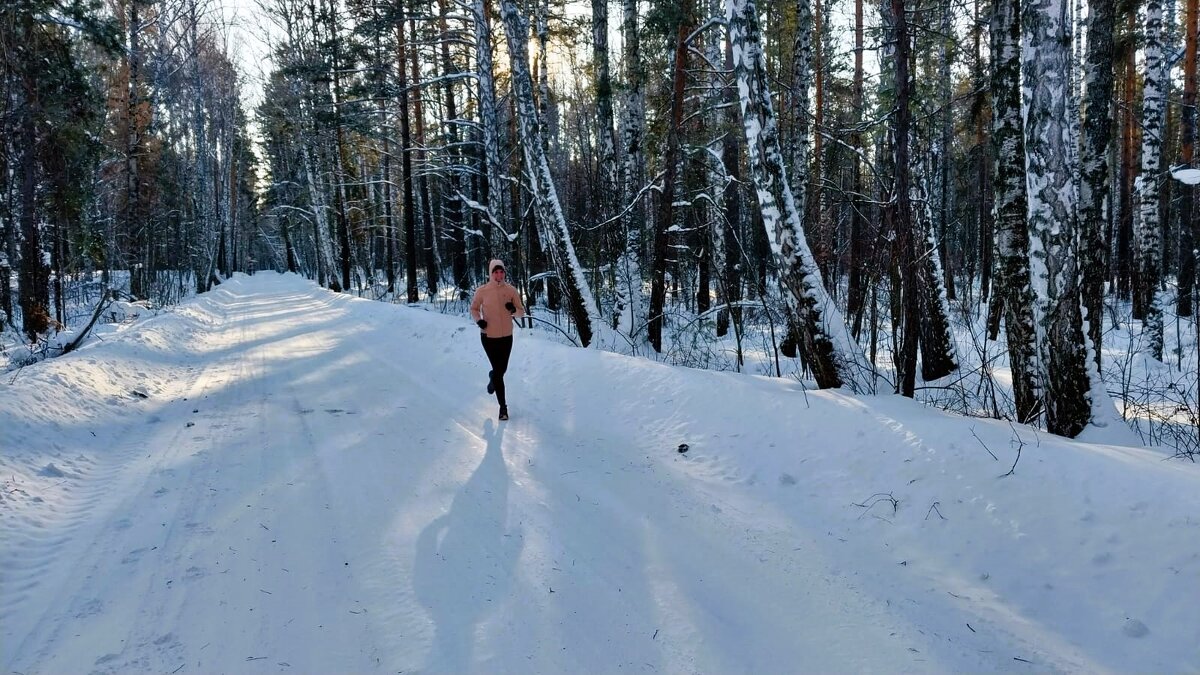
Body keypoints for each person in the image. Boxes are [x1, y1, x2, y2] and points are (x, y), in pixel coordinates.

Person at [469, 259, 525, 420]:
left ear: (504, 273)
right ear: (491, 273)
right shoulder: (482, 291)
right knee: (500, 372)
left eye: (501, 272)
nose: (499, 275)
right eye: (496, 272)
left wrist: (513, 310)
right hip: (488, 336)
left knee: (502, 370)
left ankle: (493, 377)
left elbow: (521, 312)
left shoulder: (511, 290)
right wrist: (479, 320)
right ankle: (503, 408)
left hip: (506, 336)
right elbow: (473, 308)